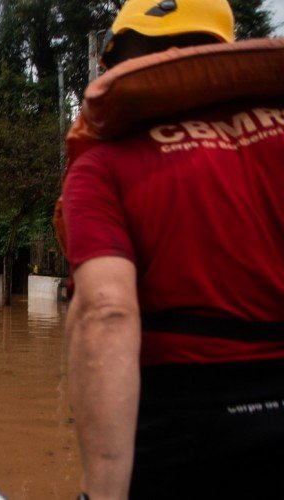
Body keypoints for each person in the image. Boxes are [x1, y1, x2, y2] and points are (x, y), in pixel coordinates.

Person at [58, 1, 284, 498]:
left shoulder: (103, 166)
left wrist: (101, 494)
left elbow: (105, 311)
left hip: (184, 430)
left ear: (122, 61)